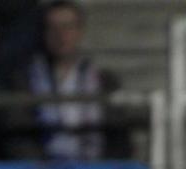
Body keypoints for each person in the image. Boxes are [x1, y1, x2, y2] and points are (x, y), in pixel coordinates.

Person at [8, 0, 124, 160]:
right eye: (52, 28)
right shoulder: (24, 82)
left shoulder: (105, 82)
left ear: (80, 32)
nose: (60, 35)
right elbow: (19, 135)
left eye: (67, 27)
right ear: (44, 33)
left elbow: (119, 138)